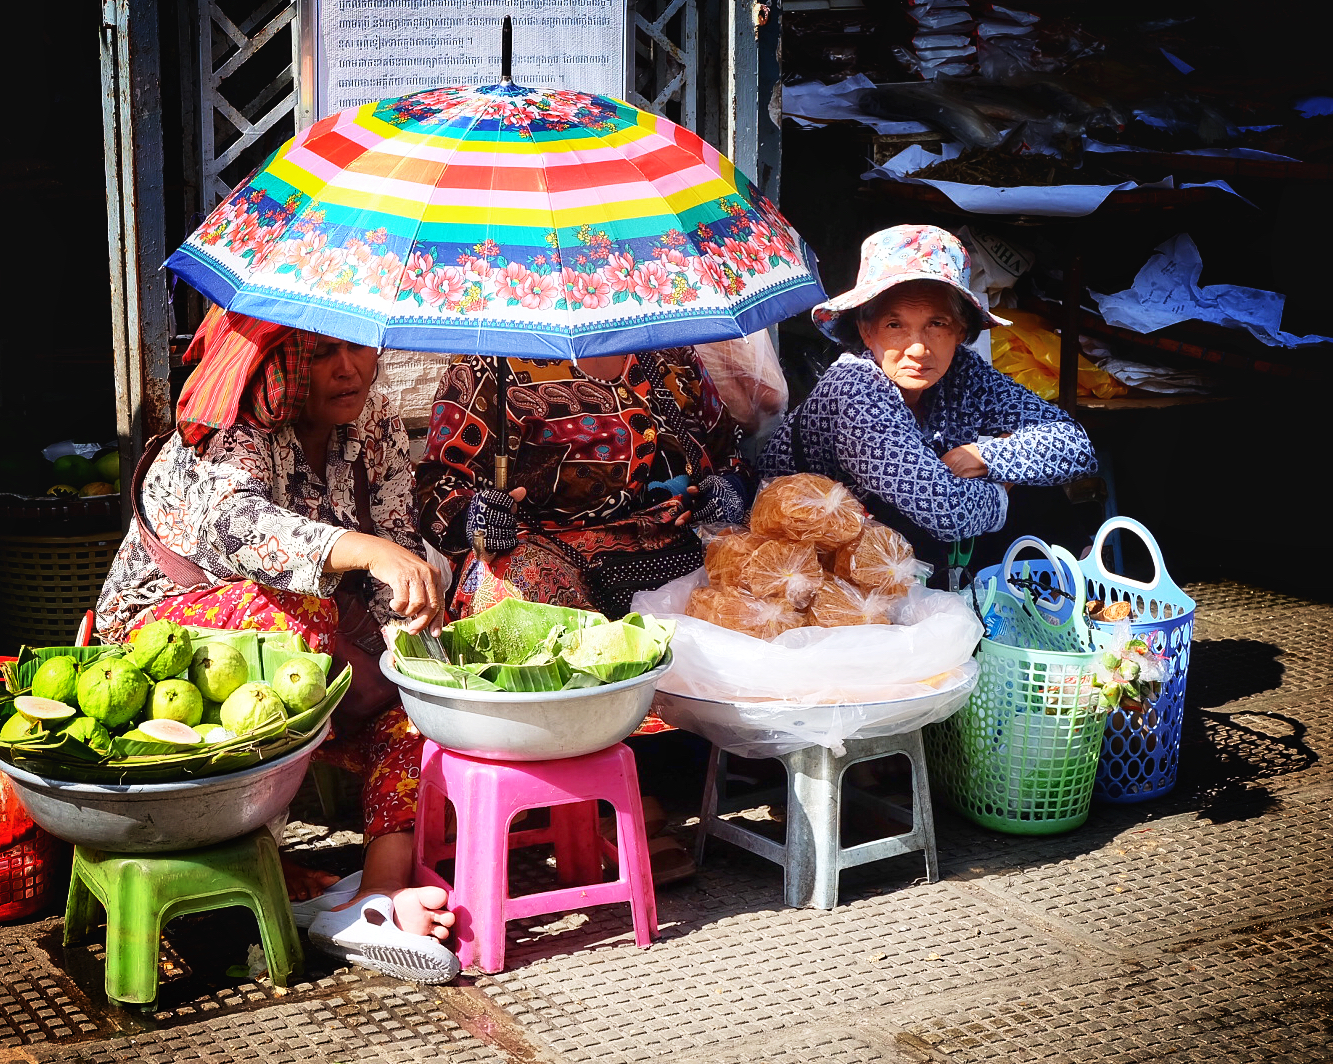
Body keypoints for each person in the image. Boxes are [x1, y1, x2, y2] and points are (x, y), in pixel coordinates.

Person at [95, 305, 459, 984]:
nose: (347, 367)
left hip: (306, 641)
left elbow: (397, 543)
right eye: (322, 353)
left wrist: (410, 633)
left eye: (357, 347)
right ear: (285, 363)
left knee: (420, 686)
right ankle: (258, 853)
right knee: (299, 615)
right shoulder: (233, 427)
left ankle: (376, 892)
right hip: (166, 647)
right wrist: (365, 551)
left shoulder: (372, 420)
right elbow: (240, 529)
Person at [415, 346, 753, 883]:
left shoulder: (671, 356)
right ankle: (612, 796)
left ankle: (724, 762)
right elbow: (439, 488)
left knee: (764, 570)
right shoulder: (493, 367)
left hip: (671, 544)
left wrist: (727, 489)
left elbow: (728, 453)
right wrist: (478, 517)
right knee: (512, 581)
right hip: (549, 553)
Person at [758, 224, 1099, 582]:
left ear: (960, 331)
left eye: (936, 324)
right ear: (866, 330)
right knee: (1015, 491)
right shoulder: (854, 388)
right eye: (895, 325)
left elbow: (1074, 445)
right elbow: (947, 510)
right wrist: (1005, 484)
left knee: (1043, 495)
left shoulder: (964, 372)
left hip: (897, 542)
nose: (918, 349)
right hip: (806, 562)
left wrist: (985, 458)